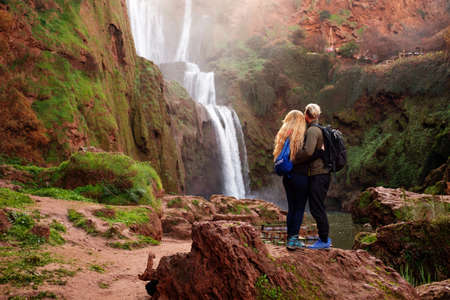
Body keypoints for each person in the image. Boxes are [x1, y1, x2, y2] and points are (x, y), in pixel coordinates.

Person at [296, 103, 332, 249]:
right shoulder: (321, 129)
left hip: (318, 174)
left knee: (317, 208)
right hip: (324, 174)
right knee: (318, 206)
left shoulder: (312, 131)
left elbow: (308, 152)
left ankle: (324, 240)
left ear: (306, 115)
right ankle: (323, 237)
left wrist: (294, 156)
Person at [273, 110, 310, 250]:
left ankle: (290, 236)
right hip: (300, 177)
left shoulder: (283, 136)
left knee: (292, 208)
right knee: (299, 208)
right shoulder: (301, 137)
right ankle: (293, 240)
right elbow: (308, 154)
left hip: (287, 178)